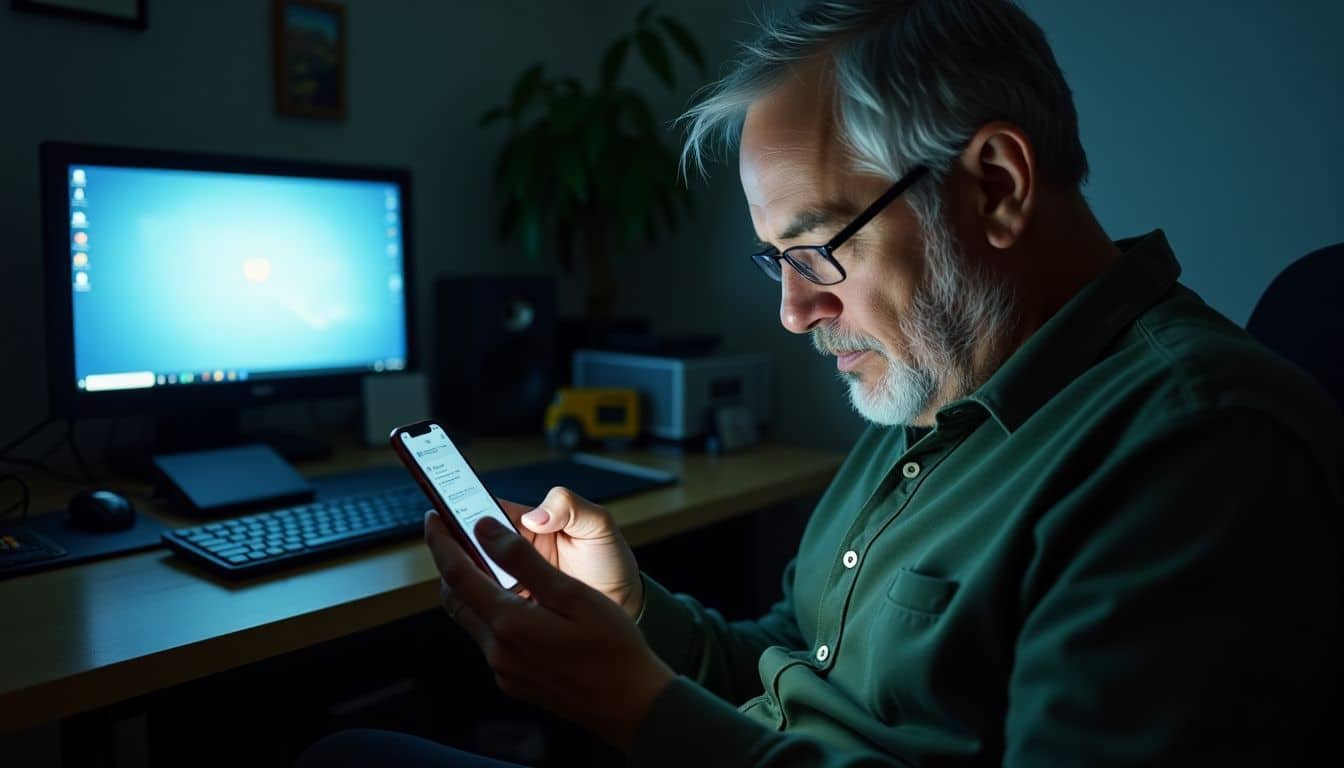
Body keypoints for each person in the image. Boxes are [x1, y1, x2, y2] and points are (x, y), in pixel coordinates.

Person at [301, 0, 1343, 765]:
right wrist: (632, 616)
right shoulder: (945, 376)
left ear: (997, 186)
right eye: (777, 260)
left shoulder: (1198, 449)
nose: (796, 313)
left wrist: (637, 708)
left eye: (818, 249)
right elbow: (798, 659)